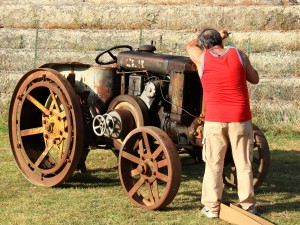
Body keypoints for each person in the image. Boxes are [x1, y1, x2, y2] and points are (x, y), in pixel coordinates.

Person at [186, 28, 259, 218]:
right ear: (221, 41)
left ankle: (212, 207)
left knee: (213, 164)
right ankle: (248, 206)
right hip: (241, 118)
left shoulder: (202, 58)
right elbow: (255, 79)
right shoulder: (239, 54)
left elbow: (189, 46)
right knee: (244, 164)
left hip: (215, 119)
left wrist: (215, 34)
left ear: (204, 45)